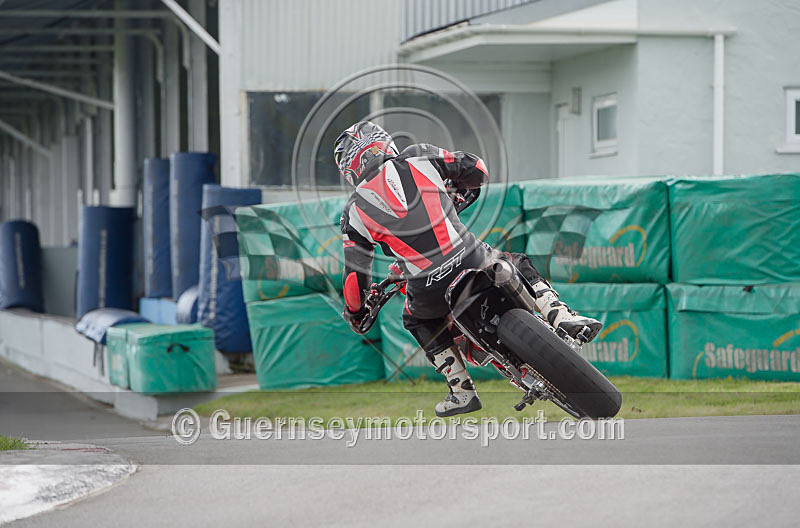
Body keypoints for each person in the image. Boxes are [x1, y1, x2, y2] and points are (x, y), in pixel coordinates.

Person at [334, 121, 601, 417]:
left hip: (427, 287)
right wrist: (451, 191)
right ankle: (562, 315)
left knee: (415, 320)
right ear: (383, 143)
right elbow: (477, 169)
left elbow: (355, 279)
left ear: (350, 168)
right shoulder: (418, 156)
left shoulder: (353, 211)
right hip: (469, 256)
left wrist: (356, 310)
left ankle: (461, 389)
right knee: (517, 263)